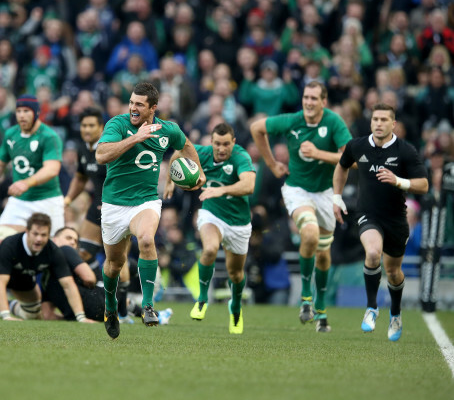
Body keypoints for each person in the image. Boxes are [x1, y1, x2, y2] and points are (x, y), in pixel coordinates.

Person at [95, 82, 205, 339]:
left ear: (153, 108)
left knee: (146, 239)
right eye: (131, 102)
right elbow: (101, 155)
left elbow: (186, 146)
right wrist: (135, 138)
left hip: (146, 201)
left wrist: (199, 170)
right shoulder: (117, 125)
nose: (133, 107)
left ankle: (147, 306)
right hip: (114, 203)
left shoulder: (168, 130)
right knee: (114, 264)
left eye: (139, 104)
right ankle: (111, 307)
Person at [250, 81, 352, 332]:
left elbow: (352, 158)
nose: (308, 102)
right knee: (309, 234)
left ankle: (321, 308)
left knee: (324, 255)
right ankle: (306, 297)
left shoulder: (334, 123)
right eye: (306, 97)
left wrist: (319, 154)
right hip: (297, 190)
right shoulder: (293, 120)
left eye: (314, 98)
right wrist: (272, 164)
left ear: (323, 102)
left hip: (326, 192)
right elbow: (256, 128)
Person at [332, 103, 428, 341]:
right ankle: (372, 307)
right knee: (373, 253)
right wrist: (336, 197)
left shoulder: (406, 151)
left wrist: (399, 181)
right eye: (375, 119)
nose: (378, 123)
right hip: (368, 214)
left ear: (393, 124)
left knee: (393, 272)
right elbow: (341, 166)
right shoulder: (358, 145)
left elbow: (423, 185)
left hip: (396, 219)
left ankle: (395, 313)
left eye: (384, 120)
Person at [164, 123, 255, 334]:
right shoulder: (202, 153)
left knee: (236, 274)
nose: (221, 149)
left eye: (226, 144)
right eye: (217, 144)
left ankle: (235, 306)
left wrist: (220, 190)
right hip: (211, 214)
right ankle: (203, 299)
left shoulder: (241, 157)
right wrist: (169, 181)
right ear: (210, 142)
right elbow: (178, 153)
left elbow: (249, 185)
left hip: (238, 222)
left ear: (233, 142)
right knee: (210, 249)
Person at [63, 107, 133, 323]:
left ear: (101, 128)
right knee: (83, 253)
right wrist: (67, 200)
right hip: (97, 207)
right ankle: (103, 295)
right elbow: (81, 177)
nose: (87, 129)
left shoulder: (109, 147)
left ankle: (123, 312)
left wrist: (116, 202)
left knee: (119, 261)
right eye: (84, 125)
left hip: (118, 206)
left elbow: (127, 176)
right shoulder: (84, 150)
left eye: (92, 125)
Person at [0, 94, 65, 240]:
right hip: (19, 201)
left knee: (54, 249)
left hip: (47, 200)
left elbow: (52, 169)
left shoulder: (49, 136)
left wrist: (27, 183)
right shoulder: (11, 134)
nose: (22, 115)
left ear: (36, 113)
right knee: (2, 243)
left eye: (26, 111)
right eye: (19, 111)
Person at [40, 226, 103, 321]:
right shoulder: (65, 249)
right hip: (99, 307)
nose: (73, 242)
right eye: (68, 238)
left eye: (76, 241)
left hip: (90, 308)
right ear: (54, 240)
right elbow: (89, 278)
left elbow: (47, 315)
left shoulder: (45, 276)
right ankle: (127, 306)